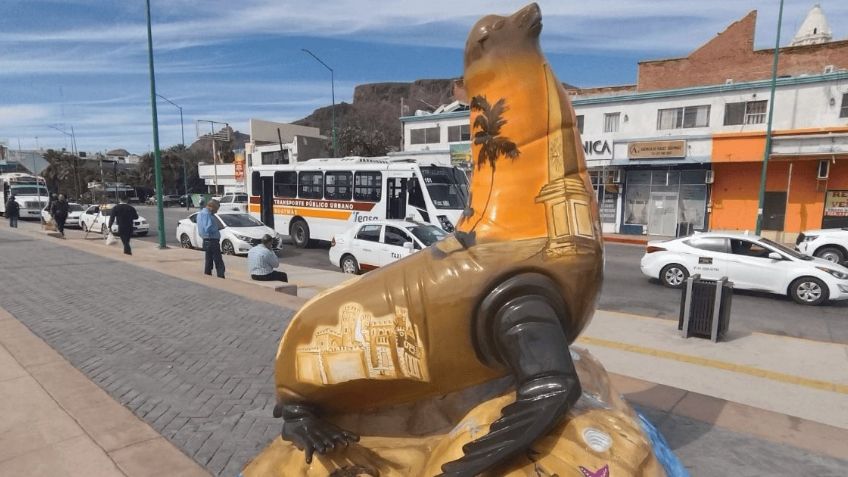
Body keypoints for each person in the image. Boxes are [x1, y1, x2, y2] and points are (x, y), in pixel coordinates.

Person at [197, 199, 225, 278]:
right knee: (218, 261)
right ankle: (221, 277)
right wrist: (217, 228)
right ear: (212, 207)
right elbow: (208, 228)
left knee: (209, 260)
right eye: (216, 209)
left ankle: (207, 276)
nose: (216, 211)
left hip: (207, 240)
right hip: (212, 240)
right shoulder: (207, 214)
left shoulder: (201, 213)